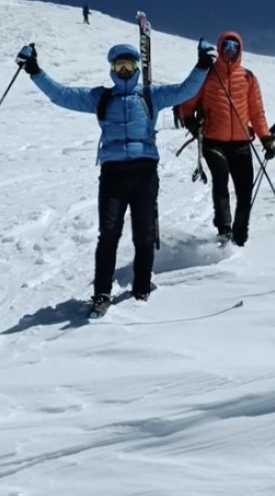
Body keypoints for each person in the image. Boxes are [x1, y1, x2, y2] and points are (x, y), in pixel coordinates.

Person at [15, 39, 217, 314]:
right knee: (108, 235)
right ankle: (101, 293)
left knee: (144, 235)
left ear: (136, 68)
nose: (124, 70)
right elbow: (62, 95)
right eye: (119, 65)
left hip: (144, 173)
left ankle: (141, 288)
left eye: (129, 65)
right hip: (113, 176)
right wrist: (34, 70)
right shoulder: (101, 97)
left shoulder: (151, 95)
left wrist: (202, 65)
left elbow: (185, 90)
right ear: (112, 68)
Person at [177, 31, 275, 247]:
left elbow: (256, 112)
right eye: (227, 46)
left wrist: (266, 138)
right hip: (213, 141)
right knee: (220, 178)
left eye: (235, 47)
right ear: (220, 48)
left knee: (245, 190)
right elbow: (188, 102)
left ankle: (240, 236)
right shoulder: (208, 74)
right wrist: (189, 120)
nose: (230, 50)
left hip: (241, 143)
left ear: (240, 50)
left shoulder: (248, 77)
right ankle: (224, 229)